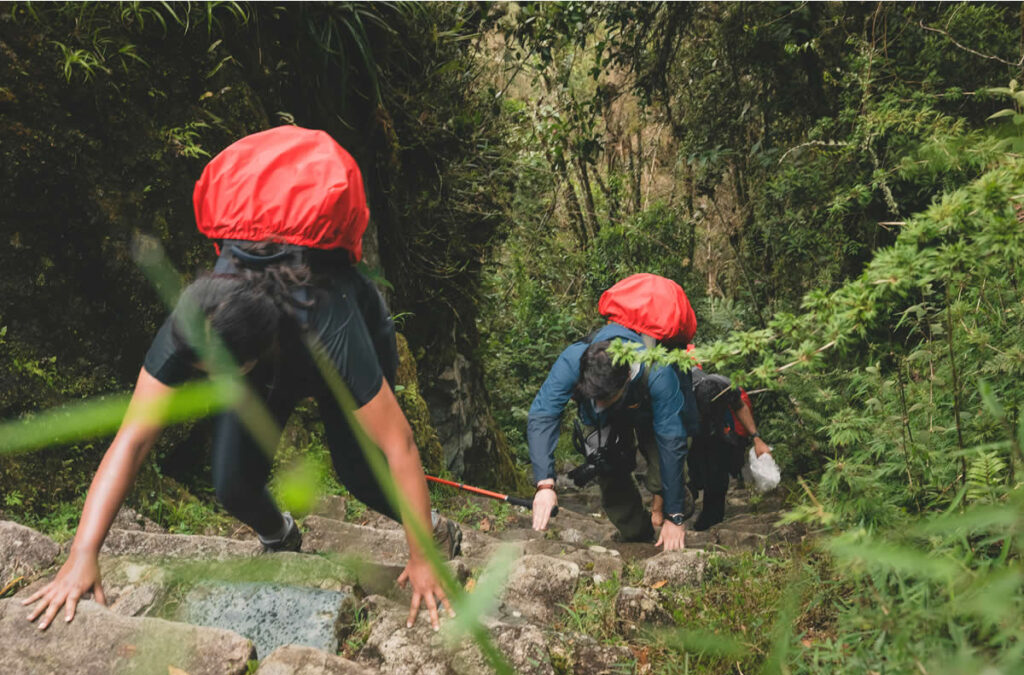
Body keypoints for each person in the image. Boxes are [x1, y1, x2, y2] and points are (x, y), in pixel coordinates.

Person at [22, 126, 458, 632]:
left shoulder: (328, 317)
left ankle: (432, 529)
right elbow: (135, 437)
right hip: (265, 352)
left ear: (247, 359)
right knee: (232, 484)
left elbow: (400, 444)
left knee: (357, 472)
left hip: (341, 342)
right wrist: (82, 553)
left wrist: (423, 558)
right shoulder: (197, 321)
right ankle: (282, 537)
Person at [527, 322, 698, 551]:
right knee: (608, 469)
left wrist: (675, 515)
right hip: (603, 423)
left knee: (663, 467)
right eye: (594, 398)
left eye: (604, 399)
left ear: (627, 376)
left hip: (649, 408)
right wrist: (545, 485)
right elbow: (543, 414)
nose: (599, 405)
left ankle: (673, 500)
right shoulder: (573, 359)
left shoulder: (658, 371)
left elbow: (672, 440)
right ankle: (638, 534)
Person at [687, 368, 771, 530]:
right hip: (688, 426)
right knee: (691, 468)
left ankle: (711, 520)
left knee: (718, 470)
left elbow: (740, 407)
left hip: (718, 426)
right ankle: (684, 504)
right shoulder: (681, 392)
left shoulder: (725, 386)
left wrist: (756, 438)